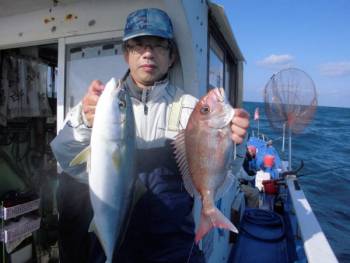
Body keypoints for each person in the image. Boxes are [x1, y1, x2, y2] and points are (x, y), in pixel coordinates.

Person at [51, 7, 249, 263]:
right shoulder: (100, 105)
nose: (147, 53)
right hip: (114, 240)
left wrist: (235, 145)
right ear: (126, 55)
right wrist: (83, 122)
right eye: (138, 45)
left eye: (158, 45)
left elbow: (220, 176)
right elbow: (65, 157)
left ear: (171, 57)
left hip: (173, 246)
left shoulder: (191, 109)